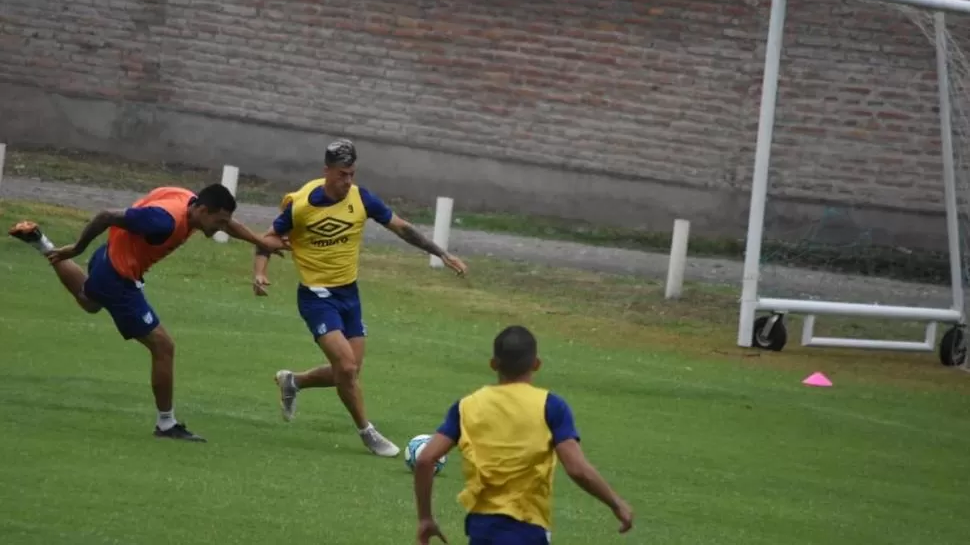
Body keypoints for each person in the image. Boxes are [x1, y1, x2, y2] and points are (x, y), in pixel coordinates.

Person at [8, 183, 286, 443]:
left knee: (89, 302)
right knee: (163, 346)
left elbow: (230, 223)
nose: (223, 228)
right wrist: (76, 248)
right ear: (202, 211)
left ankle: (42, 244)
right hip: (119, 278)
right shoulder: (163, 221)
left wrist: (259, 240)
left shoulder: (188, 200)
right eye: (219, 222)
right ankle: (166, 423)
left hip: (110, 259)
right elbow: (106, 215)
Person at [253, 138, 468, 457]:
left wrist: (441, 252)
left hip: (349, 295)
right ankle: (367, 432)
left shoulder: (361, 199)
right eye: (342, 174)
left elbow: (402, 228)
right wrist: (260, 271)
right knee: (347, 368)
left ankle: (293, 381)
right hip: (316, 296)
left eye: (352, 173)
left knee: (348, 371)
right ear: (327, 171)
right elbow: (268, 237)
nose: (348, 181)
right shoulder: (302, 205)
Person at [413, 325, 634, 545]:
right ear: (536, 364)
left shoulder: (466, 406)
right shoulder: (550, 406)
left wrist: (425, 518)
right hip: (526, 527)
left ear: (493, 364)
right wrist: (616, 503)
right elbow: (577, 469)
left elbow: (425, 459)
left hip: (481, 530)